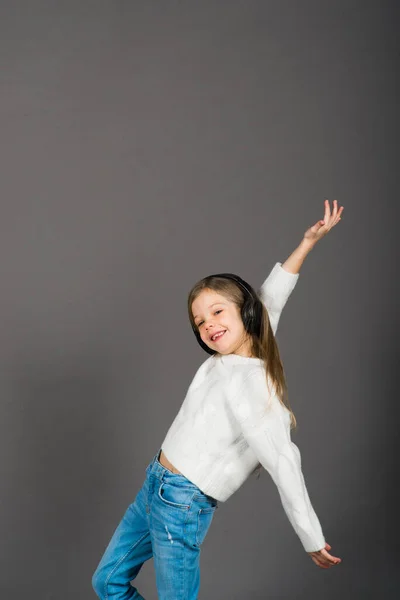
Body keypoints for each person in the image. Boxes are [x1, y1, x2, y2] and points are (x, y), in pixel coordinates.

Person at [92, 199, 344, 599]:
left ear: (245, 313)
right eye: (200, 321)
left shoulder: (253, 383)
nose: (209, 324)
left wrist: (311, 536)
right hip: (154, 483)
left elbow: (283, 462)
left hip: (181, 503)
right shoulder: (232, 355)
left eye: (217, 312)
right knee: (107, 582)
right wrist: (307, 243)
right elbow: (272, 297)